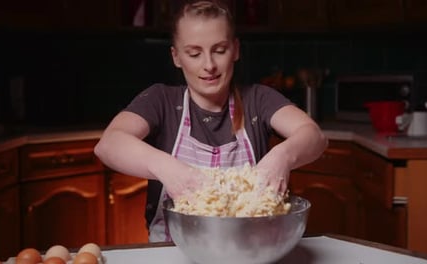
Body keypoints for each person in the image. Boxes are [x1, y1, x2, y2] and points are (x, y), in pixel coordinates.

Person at [94, 0, 328, 242]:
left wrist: (283, 156)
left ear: (236, 50)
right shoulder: (160, 100)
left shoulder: (258, 99)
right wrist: (166, 167)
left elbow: (314, 136)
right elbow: (108, 145)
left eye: (219, 50)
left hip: (250, 249)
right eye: (194, 53)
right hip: (172, 250)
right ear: (176, 57)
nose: (209, 65)